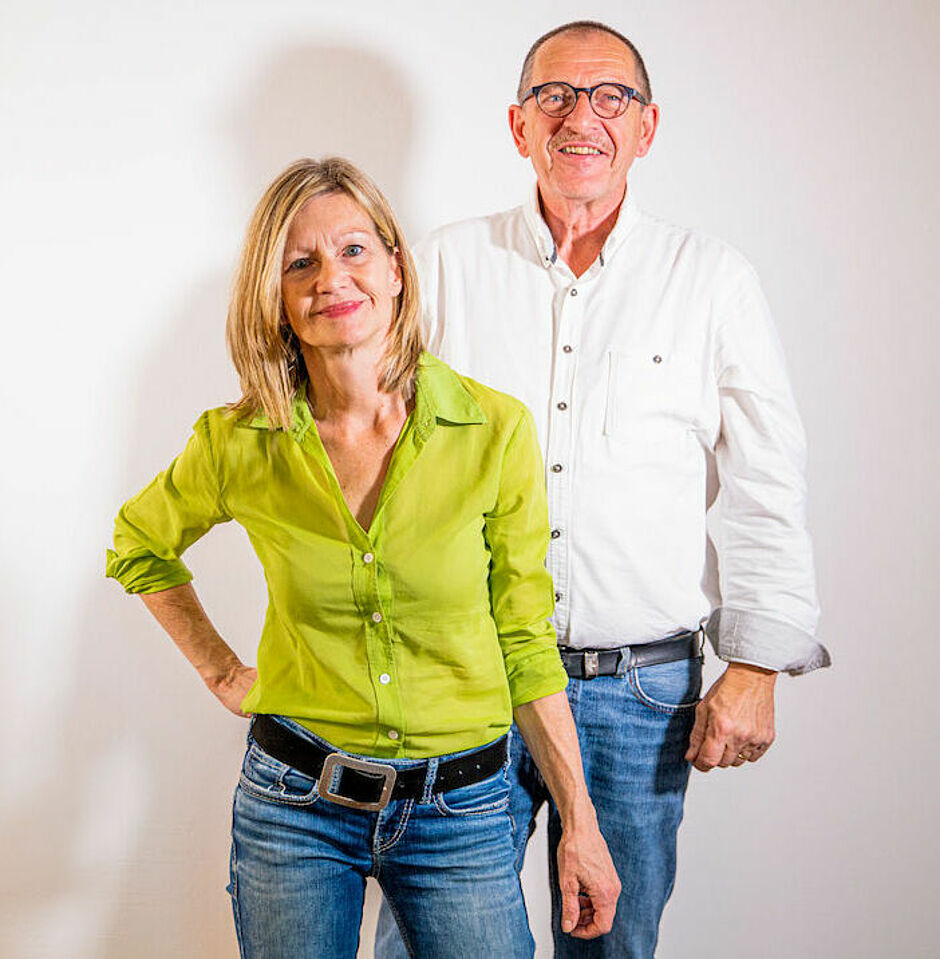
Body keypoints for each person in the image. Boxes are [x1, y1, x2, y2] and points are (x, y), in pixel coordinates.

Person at [375, 19, 831, 959]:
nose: (583, 117)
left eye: (610, 96)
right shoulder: (444, 265)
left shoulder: (711, 281)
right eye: (556, 96)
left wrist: (755, 665)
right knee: (438, 943)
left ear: (648, 127)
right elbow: (372, 447)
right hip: (473, 681)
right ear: (518, 124)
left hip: (643, 692)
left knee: (612, 945)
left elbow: (765, 479)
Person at [105, 156, 620, 959]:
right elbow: (139, 543)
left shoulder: (495, 430)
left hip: (463, 811)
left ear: (396, 268)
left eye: (353, 250)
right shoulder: (237, 443)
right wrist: (220, 670)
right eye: (299, 262)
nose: (330, 278)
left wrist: (578, 823)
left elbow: (525, 640)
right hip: (294, 806)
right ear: (272, 297)